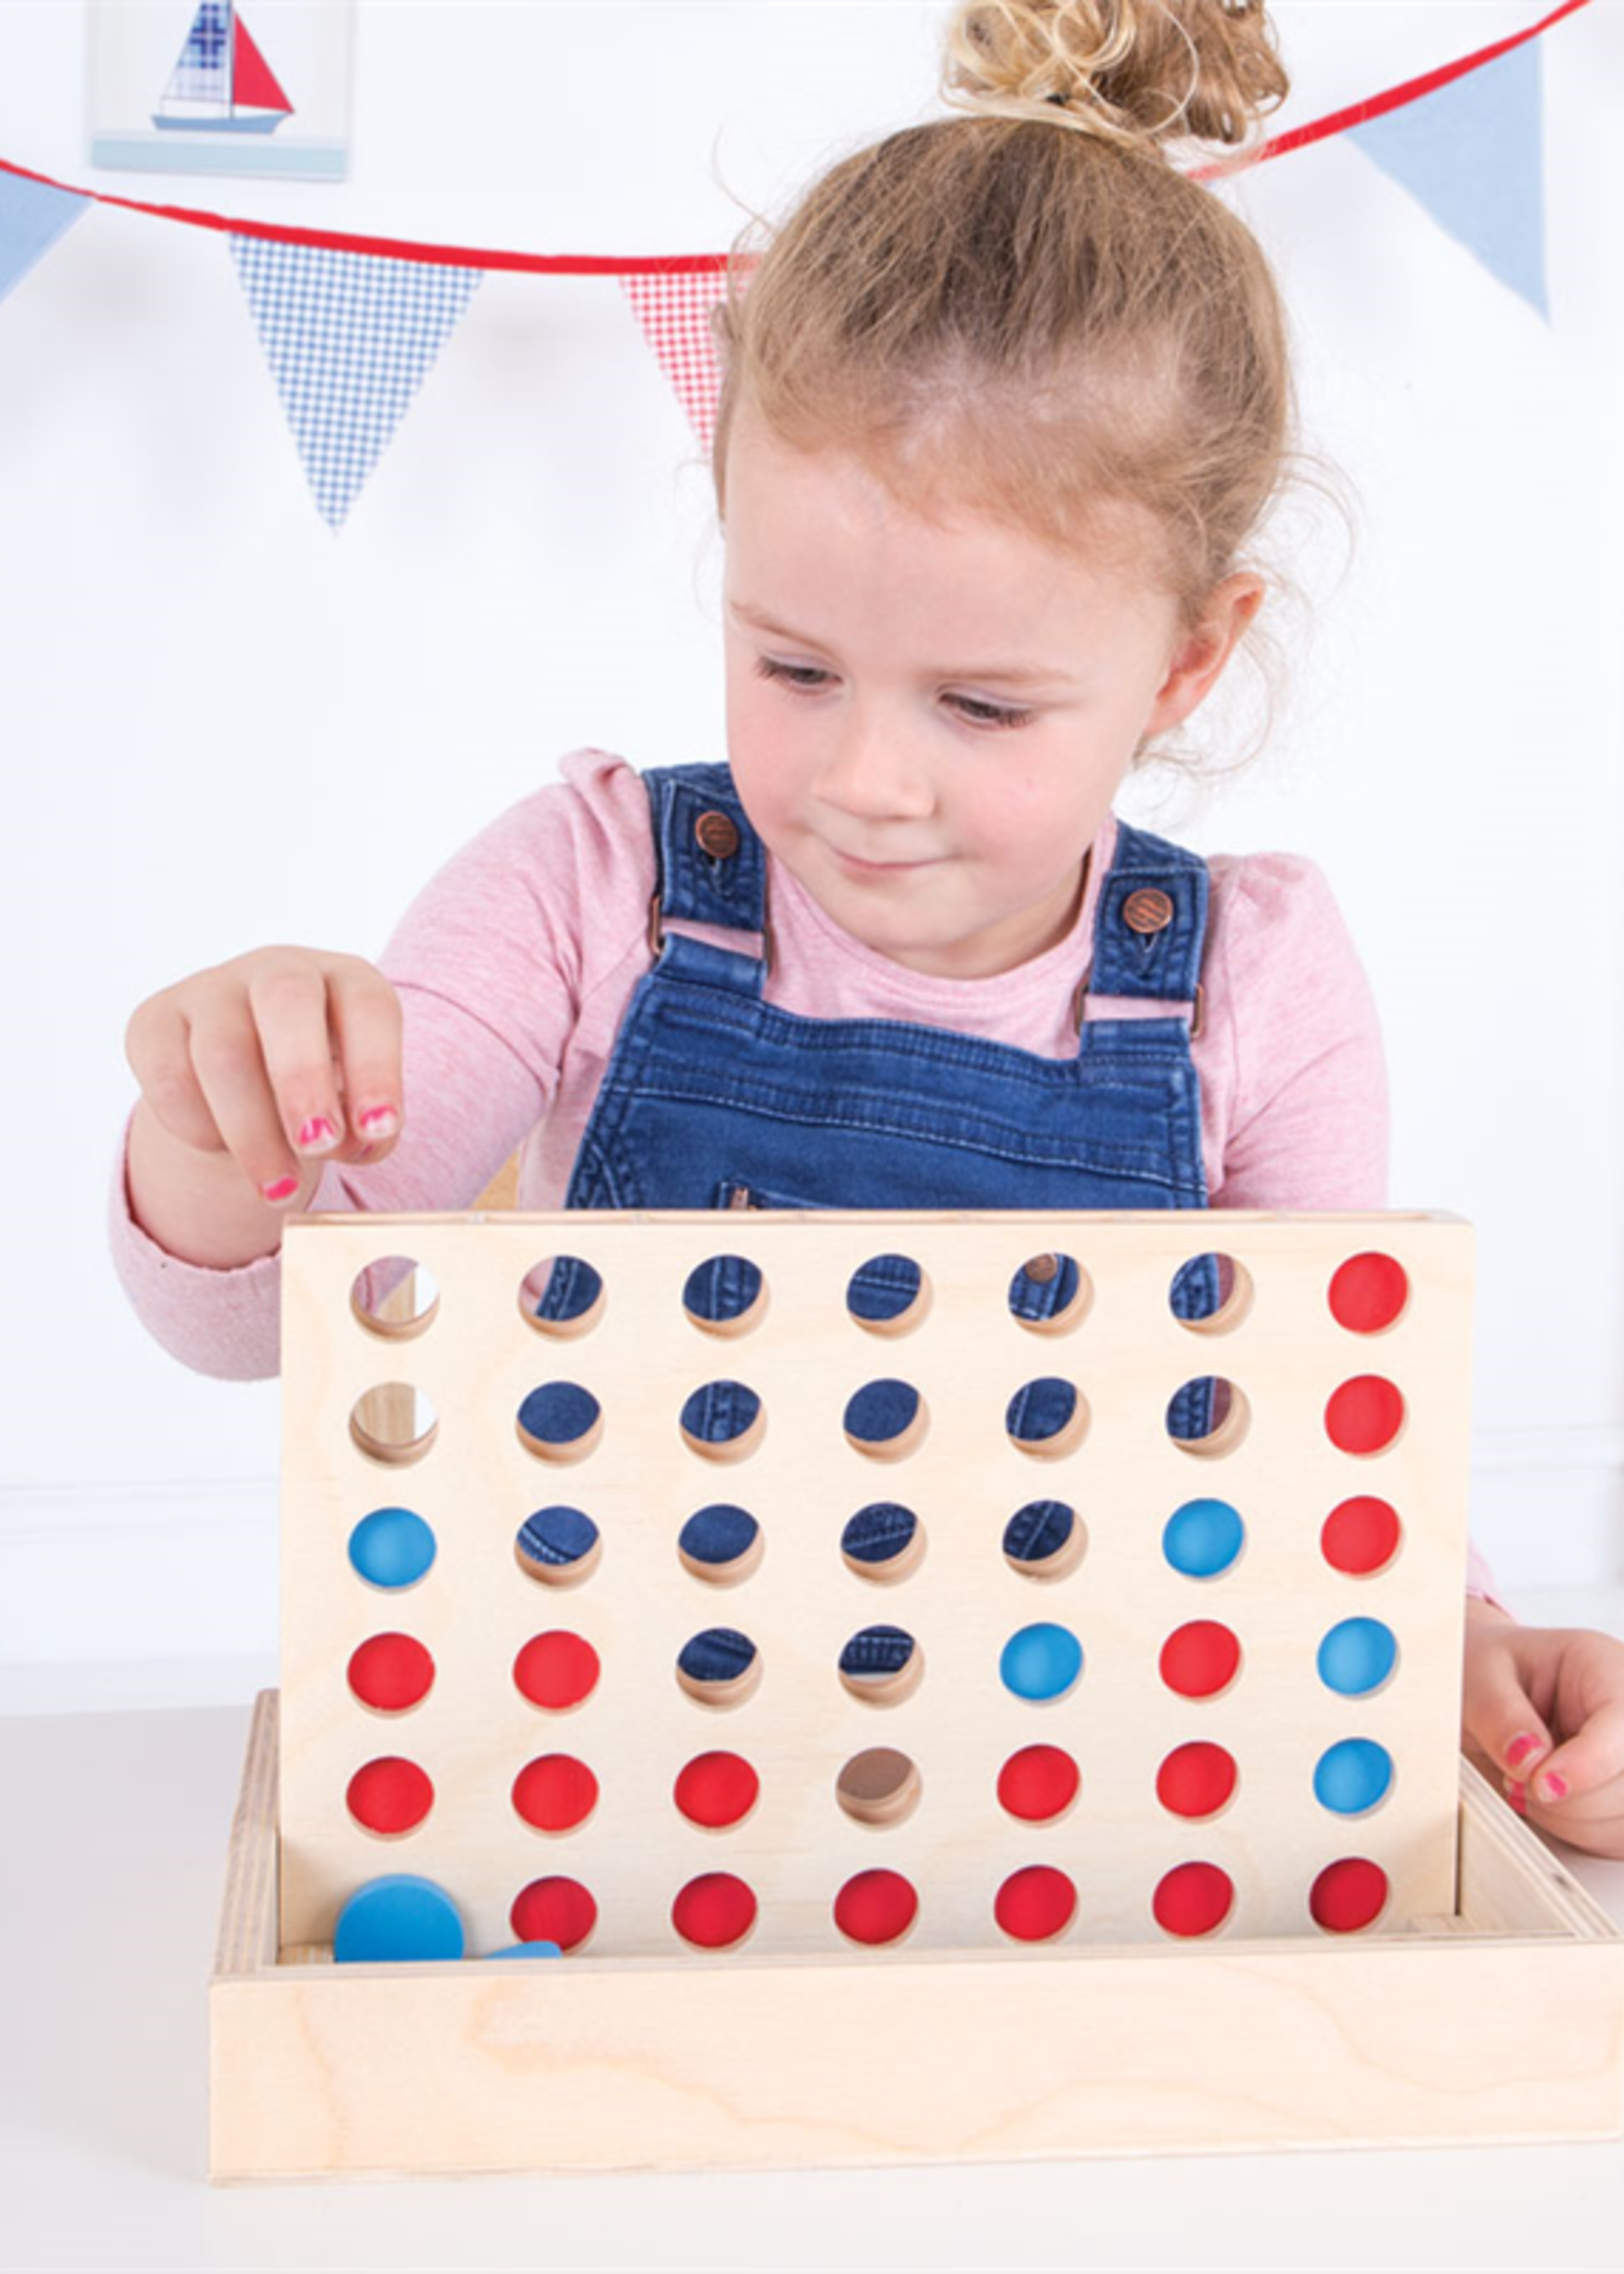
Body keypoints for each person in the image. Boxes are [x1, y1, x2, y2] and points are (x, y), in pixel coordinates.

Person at [109, 0, 1623, 1860]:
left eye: (980, 708)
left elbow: (1333, 1445)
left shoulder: (1258, 990)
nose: (862, 780)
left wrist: (1461, 1638)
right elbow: (276, 1312)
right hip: (598, 1802)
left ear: (1188, 659)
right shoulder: (593, 891)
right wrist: (220, 1131)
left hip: (1060, 1830)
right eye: (793, 663)